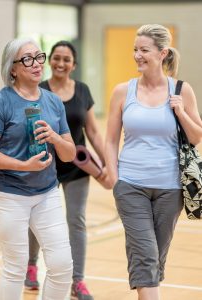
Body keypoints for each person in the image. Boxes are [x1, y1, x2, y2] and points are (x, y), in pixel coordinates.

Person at [104, 24, 202, 300]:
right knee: (146, 257)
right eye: (135, 49)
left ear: (163, 53)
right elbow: (110, 140)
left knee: (154, 260)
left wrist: (181, 111)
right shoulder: (123, 92)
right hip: (131, 186)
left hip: (170, 190)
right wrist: (115, 179)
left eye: (144, 50)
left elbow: (196, 137)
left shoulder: (182, 90)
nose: (137, 55)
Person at [0, 37, 75, 300]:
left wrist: (54, 137)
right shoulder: (0, 103)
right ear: (13, 69)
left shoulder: (53, 102)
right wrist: (22, 165)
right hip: (10, 194)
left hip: (47, 193)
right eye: (27, 59)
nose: (37, 63)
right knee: (15, 268)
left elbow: (70, 153)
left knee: (62, 265)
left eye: (39, 57)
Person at [25, 40, 107, 300]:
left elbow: (92, 130)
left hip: (76, 166)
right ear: (50, 61)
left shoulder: (82, 90)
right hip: (44, 164)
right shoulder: (39, 90)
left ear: (74, 64)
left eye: (66, 59)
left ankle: (78, 281)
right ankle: (31, 265)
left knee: (76, 221)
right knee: (36, 218)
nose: (60, 63)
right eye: (56, 58)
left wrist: (106, 163)